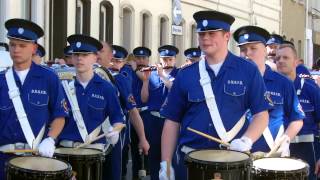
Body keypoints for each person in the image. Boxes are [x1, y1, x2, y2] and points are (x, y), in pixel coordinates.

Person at [159, 11, 270, 180]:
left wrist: (247, 140)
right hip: (191, 161)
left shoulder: (247, 71)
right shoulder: (186, 74)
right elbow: (172, 121)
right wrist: (165, 163)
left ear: (227, 35)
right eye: (202, 34)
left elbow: (261, 114)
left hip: (232, 162)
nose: (205, 38)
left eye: (212, 33)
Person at [0, 18, 68, 179]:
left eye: (22, 45)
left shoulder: (49, 78)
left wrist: (50, 139)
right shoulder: (1, 80)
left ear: (34, 48)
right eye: (13, 45)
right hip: (3, 159)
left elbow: (60, 115)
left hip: (36, 159)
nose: (16, 50)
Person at [233, 25, 304, 156]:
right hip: (237, 155)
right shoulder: (229, 81)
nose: (247, 53)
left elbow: (297, 119)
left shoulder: (283, 83)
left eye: (253, 48)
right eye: (243, 49)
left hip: (271, 156)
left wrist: (286, 139)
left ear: (266, 51)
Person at [97, 43, 149, 180]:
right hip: (93, 138)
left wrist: (142, 138)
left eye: (117, 61)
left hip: (115, 138)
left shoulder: (119, 79)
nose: (114, 63)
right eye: (112, 60)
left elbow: (133, 111)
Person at [276, 44, 320, 180]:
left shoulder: (311, 90)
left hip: (307, 151)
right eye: (277, 58)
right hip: (277, 151)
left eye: (285, 57)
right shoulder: (267, 89)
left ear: (296, 62)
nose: (281, 60)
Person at [141, 44, 179, 180]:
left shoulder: (179, 74)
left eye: (170, 59)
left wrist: (163, 76)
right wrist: (145, 81)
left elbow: (175, 89)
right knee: (154, 155)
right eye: (164, 59)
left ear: (175, 60)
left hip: (170, 121)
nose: (167, 62)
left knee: (170, 155)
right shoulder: (152, 75)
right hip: (153, 121)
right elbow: (144, 99)